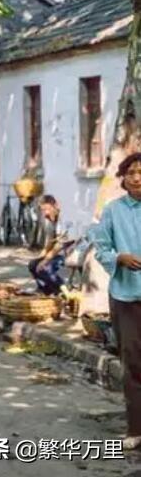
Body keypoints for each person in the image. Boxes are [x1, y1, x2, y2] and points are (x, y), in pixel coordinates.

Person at [94, 152, 141, 452]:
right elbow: (100, 249)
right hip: (126, 298)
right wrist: (118, 258)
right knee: (134, 363)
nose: (138, 177)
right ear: (123, 178)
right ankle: (136, 428)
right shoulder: (113, 211)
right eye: (132, 172)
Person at [27, 195, 74, 295]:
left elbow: (59, 245)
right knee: (33, 264)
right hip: (60, 252)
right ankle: (45, 290)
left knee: (45, 267)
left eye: (47, 209)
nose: (45, 213)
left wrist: (45, 260)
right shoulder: (52, 219)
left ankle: (62, 291)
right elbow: (50, 242)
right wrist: (39, 259)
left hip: (72, 253)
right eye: (43, 210)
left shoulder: (65, 219)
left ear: (56, 205)